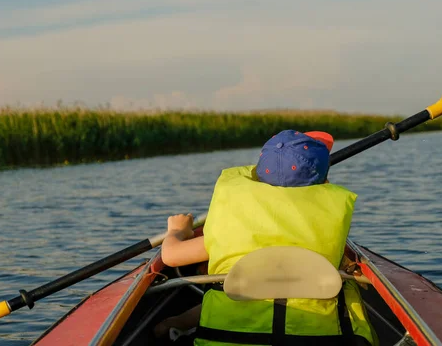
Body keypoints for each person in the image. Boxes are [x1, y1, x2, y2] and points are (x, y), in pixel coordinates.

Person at [156, 129, 378, 346]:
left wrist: (177, 230)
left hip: (232, 336)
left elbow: (171, 256)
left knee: (236, 285)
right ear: (324, 183)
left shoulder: (232, 226)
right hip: (317, 336)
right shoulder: (328, 225)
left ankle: (180, 322)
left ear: (258, 174)